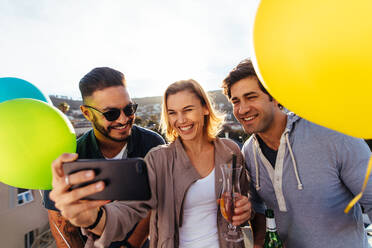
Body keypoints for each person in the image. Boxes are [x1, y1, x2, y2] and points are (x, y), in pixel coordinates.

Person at [49, 79, 254, 247]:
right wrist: (93, 218)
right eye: (172, 113)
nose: (180, 120)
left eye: (188, 110)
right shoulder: (159, 158)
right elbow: (129, 209)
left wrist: (246, 210)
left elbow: (243, 202)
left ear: (205, 109)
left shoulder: (230, 151)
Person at [221, 59, 372, 248]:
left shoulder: (333, 134)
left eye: (251, 97)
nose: (242, 109)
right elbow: (258, 210)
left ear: (274, 96)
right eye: (236, 101)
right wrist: (259, 243)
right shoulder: (249, 152)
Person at [44, 67, 165, 248]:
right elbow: (64, 230)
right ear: (87, 113)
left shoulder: (152, 143)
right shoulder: (71, 157)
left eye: (129, 109)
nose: (124, 119)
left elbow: (156, 206)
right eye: (111, 113)